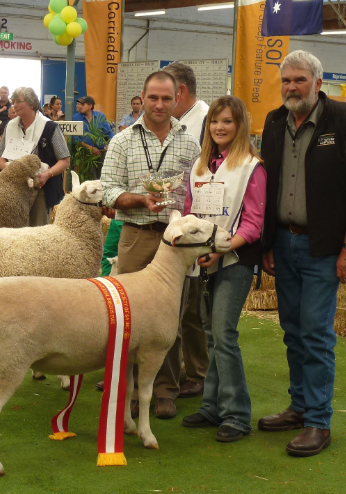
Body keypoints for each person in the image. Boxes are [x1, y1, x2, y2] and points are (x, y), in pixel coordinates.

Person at [260, 50, 346, 457]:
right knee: (292, 331)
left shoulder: (345, 119)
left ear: (317, 83)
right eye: (286, 81)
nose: (291, 87)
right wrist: (268, 243)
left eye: (299, 80)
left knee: (315, 333)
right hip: (284, 243)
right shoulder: (275, 122)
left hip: (324, 248)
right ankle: (298, 406)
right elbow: (266, 184)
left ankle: (318, 422)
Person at [101, 71, 199, 419]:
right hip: (137, 236)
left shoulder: (190, 142)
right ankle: (125, 393)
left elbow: (198, 188)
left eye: (167, 99)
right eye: (153, 98)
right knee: (125, 317)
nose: (159, 105)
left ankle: (165, 391)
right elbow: (108, 190)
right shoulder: (122, 141)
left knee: (168, 321)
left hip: (175, 243)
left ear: (177, 99)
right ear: (142, 98)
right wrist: (142, 200)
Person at [180, 95, 266, 443]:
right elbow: (188, 211)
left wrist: (218, 250)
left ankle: (237, 414)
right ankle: (213, 405)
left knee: (224, 334)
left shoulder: (251, 166)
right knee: (212, 335)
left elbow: (254, 223)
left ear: (239, 125)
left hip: (233, 261)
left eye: (227, 121)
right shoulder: (200, 166)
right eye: (215, 121)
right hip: (201, 262)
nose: (220, 127)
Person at [162, 61, 211, 399]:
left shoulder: (206, 119)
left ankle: (197, 373)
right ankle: (163, 370)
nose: (161, 103)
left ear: (179, 91)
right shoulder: (170, 120)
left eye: (167, 94)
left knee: (192, 305)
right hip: (167, 221)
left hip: (196, 221)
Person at [0, 87, 70, 226]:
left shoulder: (50, 127)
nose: (15, 105)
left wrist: (47, 174)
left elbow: (65, 161)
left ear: (32, 104)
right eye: (14, 102)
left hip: (40, 189)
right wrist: (11, 169)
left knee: (37, 231)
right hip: (14, 188)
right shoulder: (9, 126)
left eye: (19, 101)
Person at [73, 95, 114, 179]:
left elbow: (108, 133)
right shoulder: (76, 117)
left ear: (90, 106)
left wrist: (111, 145)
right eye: (78, 104)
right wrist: (90, 148)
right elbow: (75, 138)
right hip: (85, 154)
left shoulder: (100, 116)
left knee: (101, 178)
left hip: (100, 152)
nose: (79, 106)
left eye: (82, 104)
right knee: (89, 179)